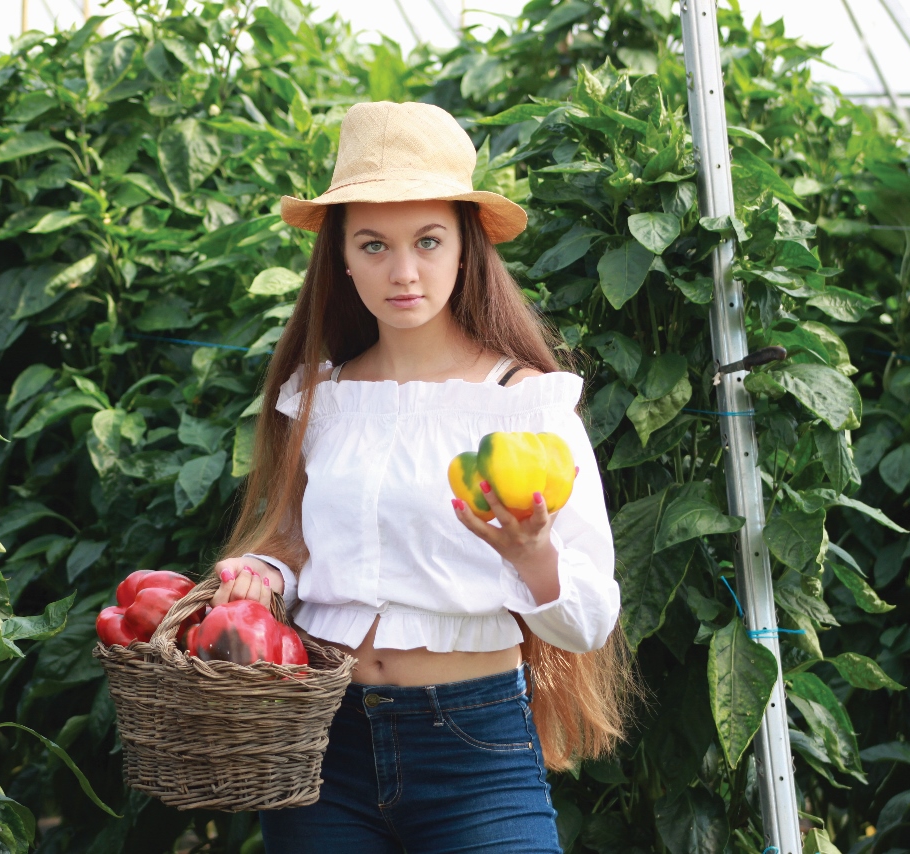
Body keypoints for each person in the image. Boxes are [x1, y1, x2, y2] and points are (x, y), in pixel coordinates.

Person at [211, 101, 631, 853]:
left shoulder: (524, 405)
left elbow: (591, 618)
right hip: (323, 743)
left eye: (428, 241)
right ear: (341, 257)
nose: (402, 272)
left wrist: (533, 557)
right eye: (373, 245)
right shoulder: (323, 399)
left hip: (471, 747)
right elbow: (306, 550)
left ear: (465, 249)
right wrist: (265, 573)